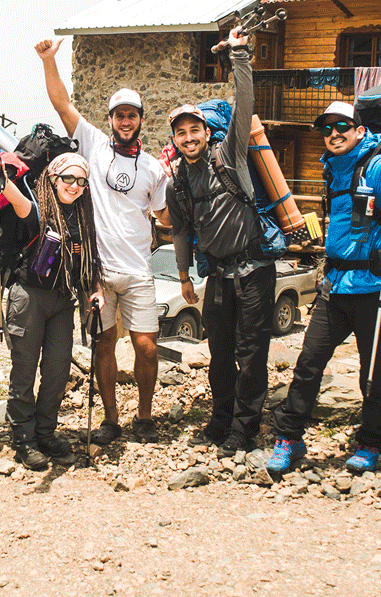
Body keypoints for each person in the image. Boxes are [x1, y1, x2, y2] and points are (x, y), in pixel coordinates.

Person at [266, 99, 381, 474]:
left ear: (360, 131)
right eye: (327, 129)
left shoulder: (378, 167)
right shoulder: (333, 170)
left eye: (342, 126)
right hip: (337, 285)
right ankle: (289, 438)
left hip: (377, 286)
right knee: (309, 362)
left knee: (372, 371)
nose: (334, 134)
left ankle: (370, 442)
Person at [37, 38, 170, 445]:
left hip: (138, 271)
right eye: (119, 115)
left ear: (141, 120)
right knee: (103, 344)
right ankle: (111, 418)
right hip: (97, 272)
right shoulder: (93, 144)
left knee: (147, 348)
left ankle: (145, 415)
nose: (125, 121)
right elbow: (62, 105)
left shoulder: (152, 168)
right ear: (110, 119)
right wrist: (48, 61)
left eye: (131, 115)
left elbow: (164, 217)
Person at [164, 29, 277, 456]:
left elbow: (244, 103)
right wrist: (183, 276)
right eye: (181, 133)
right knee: (220, 353)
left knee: (251, 355)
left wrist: (240, 56)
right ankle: (221, 419)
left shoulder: (228, 154)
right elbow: (179, 232)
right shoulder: (178, 183)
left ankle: (244, 430)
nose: (189, 137)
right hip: (217, 276)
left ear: (206, 132)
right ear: (174, 140)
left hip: (254, 270)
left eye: (195, 129)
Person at [0, 152, 105, 470]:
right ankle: (23, 439)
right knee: (24, 371)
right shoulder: (39, 207)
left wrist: (96, 292)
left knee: (57, 371)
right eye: (68, 178)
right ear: (53, 178)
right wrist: (3, 181)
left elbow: (89, 264)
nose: (75, 186)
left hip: (63, 301)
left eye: (81, 181)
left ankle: (45, 432)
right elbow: (19, 202)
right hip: (29, 299)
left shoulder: (83, 216)